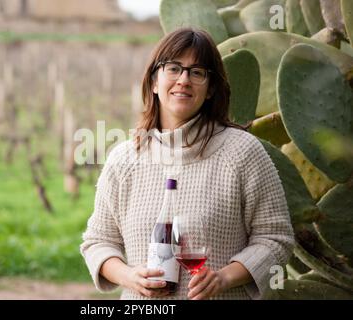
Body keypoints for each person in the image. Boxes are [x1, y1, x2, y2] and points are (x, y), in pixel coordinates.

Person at [80, 27, 295, 300]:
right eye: (173, 68)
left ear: (209, 89)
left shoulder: (243, 152)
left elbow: (276, 238)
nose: (184, 80)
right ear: (154, 82)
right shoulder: (124, 159)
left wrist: (223, 278)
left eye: (197, 72)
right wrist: (129, 277)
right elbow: (98, 242)